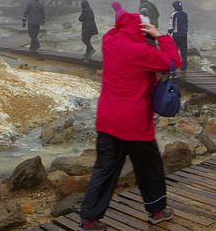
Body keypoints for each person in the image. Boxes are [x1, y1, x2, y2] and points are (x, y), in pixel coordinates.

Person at [77, 13, 182, 230]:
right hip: (134, 123)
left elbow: (114, 30)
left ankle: (88, 220)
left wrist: (123, 21)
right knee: (149, 168)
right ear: (140, 30)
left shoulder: (109, 42)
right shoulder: (141, 52)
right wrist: (159, 36)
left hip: (107, 120)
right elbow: (174, 62)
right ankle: (157, 211)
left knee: (104, 169)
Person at [167, 0, 188, 71]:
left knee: (173, 50)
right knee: (183, 51)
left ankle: (173, 65)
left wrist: (169, 33)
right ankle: (184, 65)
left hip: (176, 35)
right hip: (184, 35)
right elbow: (186, 24)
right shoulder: (185, 14)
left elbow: (171, 24)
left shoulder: (174, 14)